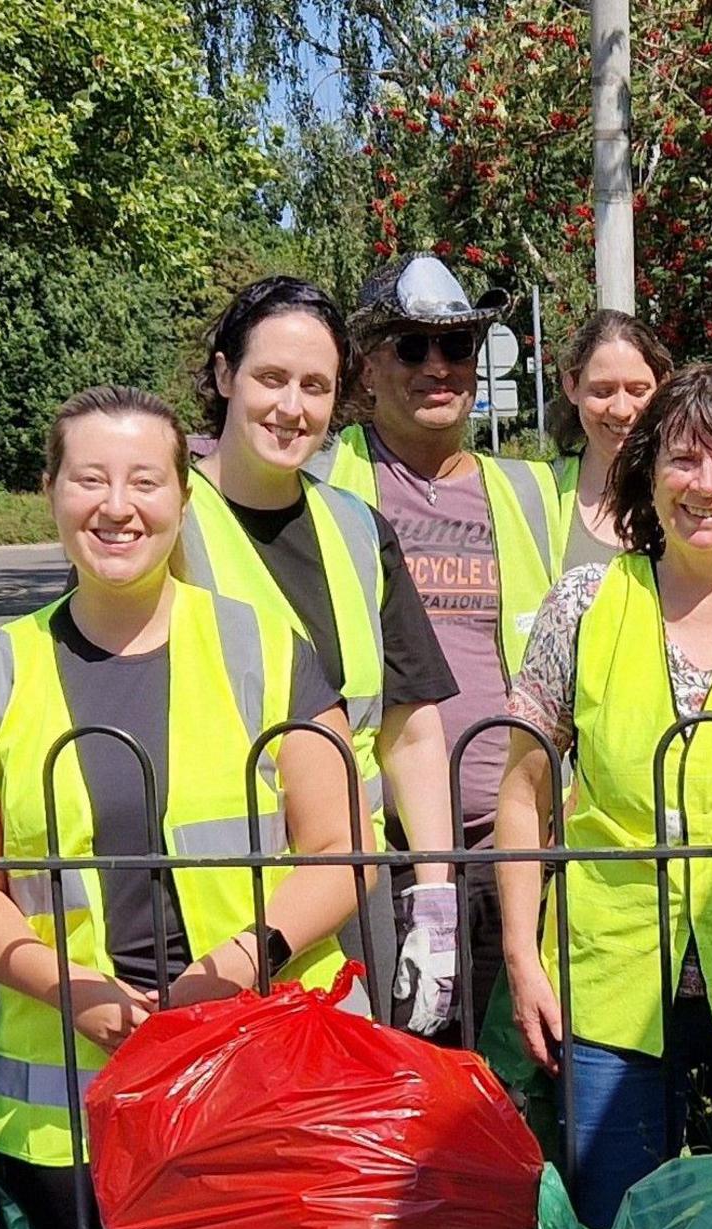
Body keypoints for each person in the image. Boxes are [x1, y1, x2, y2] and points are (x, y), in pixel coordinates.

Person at [0, 387, 371, 1229]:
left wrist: (237, 967)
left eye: (145, 481)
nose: (117, 506)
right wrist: (72, 990)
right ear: (50, 492)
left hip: (261, 1054)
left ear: (182, 498)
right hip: (69, 1095)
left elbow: (342, 849)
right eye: (90, 479)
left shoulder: (267, 648)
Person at [495, 363, 712, 1228]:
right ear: (647, 473)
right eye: (683, 460)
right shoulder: (584, 603)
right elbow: (524, 789)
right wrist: (521, 956)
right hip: (609, 984)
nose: (706, 485)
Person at [175, 275, 468, 1033]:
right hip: (211, 897)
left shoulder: (358, 529)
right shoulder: (168, 519)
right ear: (222, 376)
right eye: (271, 378)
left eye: (315, 385)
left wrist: (434, 894)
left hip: (348, 884)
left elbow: (409, 725)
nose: (291, 406)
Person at [331, 254, 571, 1043]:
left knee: (520, 1100)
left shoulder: (532, 491)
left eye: (458, 346)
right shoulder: (324, 483)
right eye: (410, 346)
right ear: (367, 366)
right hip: (380, 853)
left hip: (521, 849)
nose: (437, 367)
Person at [554, 310, 672, 572]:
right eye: (603, 391)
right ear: (572, 387)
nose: (621, 409)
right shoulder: (542, 494)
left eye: (637, 391)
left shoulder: (689, 491)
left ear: (662, 387)